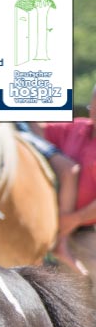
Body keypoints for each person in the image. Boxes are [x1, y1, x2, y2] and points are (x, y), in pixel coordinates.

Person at [32, 84, 96, 280]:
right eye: (93, 105)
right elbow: (39, 131)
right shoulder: (77, 127)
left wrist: (72, 220)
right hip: (56, 225)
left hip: (87, 231)